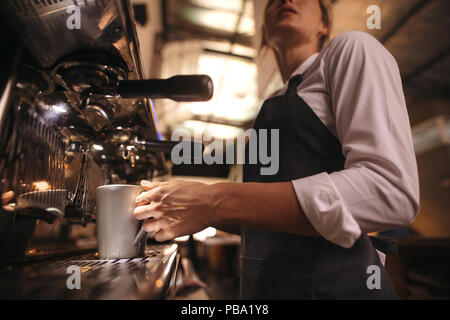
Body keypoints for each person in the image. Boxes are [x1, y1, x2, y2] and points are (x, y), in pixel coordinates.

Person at [133, 0, 419, 299]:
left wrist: (212, 200)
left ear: (324, 25)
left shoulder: (350, 50)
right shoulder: (269, 106)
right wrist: (185, 207)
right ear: (264, 33)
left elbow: (390, 190)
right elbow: (265, 217)